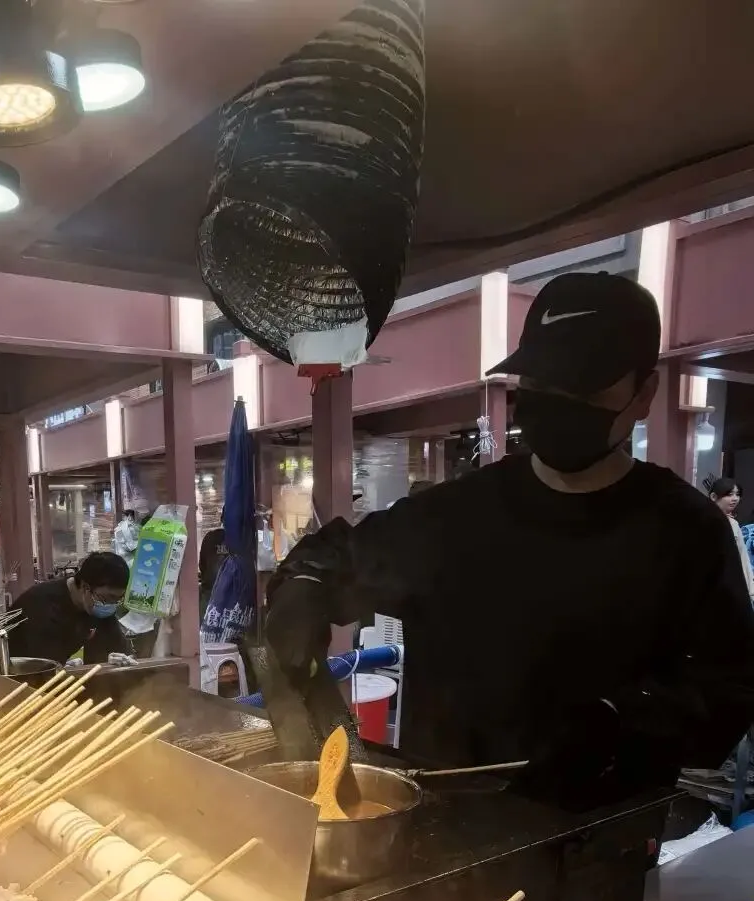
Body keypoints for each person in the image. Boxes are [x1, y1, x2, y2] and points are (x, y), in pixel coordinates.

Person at [266, 271, 754, 809]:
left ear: (645, 394)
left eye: (584, 387)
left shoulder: (685, 532)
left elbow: (730, 690)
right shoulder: (456, 513)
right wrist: (303, 585)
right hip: (444, 817)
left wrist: (622, 723)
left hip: (603, 825)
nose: (558, 400)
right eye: (543, 382)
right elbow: (337, 558)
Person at [10, 551, 130, 665]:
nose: (110, 605)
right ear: (85, 587)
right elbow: (44, 668)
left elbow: (118, 648)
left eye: (118, 599)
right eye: (107, 598)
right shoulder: (41, 607)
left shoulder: (99, 605)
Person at [705, 477, 754, 601]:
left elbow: (743, 558)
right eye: (729, 494)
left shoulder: (734, 524)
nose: (735, 498)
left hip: (728, 587)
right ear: (713, 497)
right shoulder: (701, 519)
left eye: (737, 494)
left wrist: (751, 590)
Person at [199, 511, 230, 614]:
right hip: (232, 597)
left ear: (222, 519)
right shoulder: (243, 540)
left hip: (210, 595)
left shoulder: (210, 537)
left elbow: (202, 565)